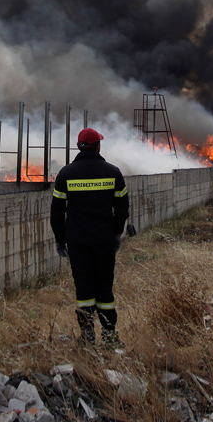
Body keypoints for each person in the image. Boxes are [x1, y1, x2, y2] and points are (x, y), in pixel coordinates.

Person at [51, 127, 133, 348]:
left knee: (84, 288)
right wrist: (117, 233)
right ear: (98, 146)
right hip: (104, 240)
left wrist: (60, 239)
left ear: (79, 146)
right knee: (104, 287)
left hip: (77, 241)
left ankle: (87, 336)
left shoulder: (66, 174)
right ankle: (109, 335)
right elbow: (122, 208)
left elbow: (57, 211)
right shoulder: (113, 172)